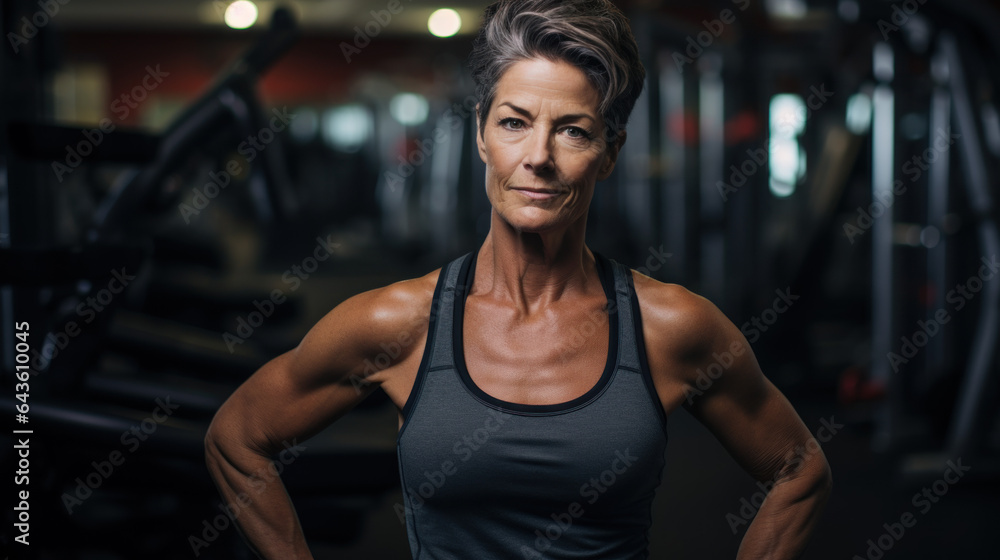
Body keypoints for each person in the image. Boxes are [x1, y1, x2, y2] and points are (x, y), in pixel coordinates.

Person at [204, 0, 833, 558]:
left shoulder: (672, 327)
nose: (538, 156)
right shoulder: (396, 322)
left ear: (609, 153)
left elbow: (799, 471)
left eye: (573, 131)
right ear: (481, 134)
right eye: (514, 122)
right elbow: (237, 439)